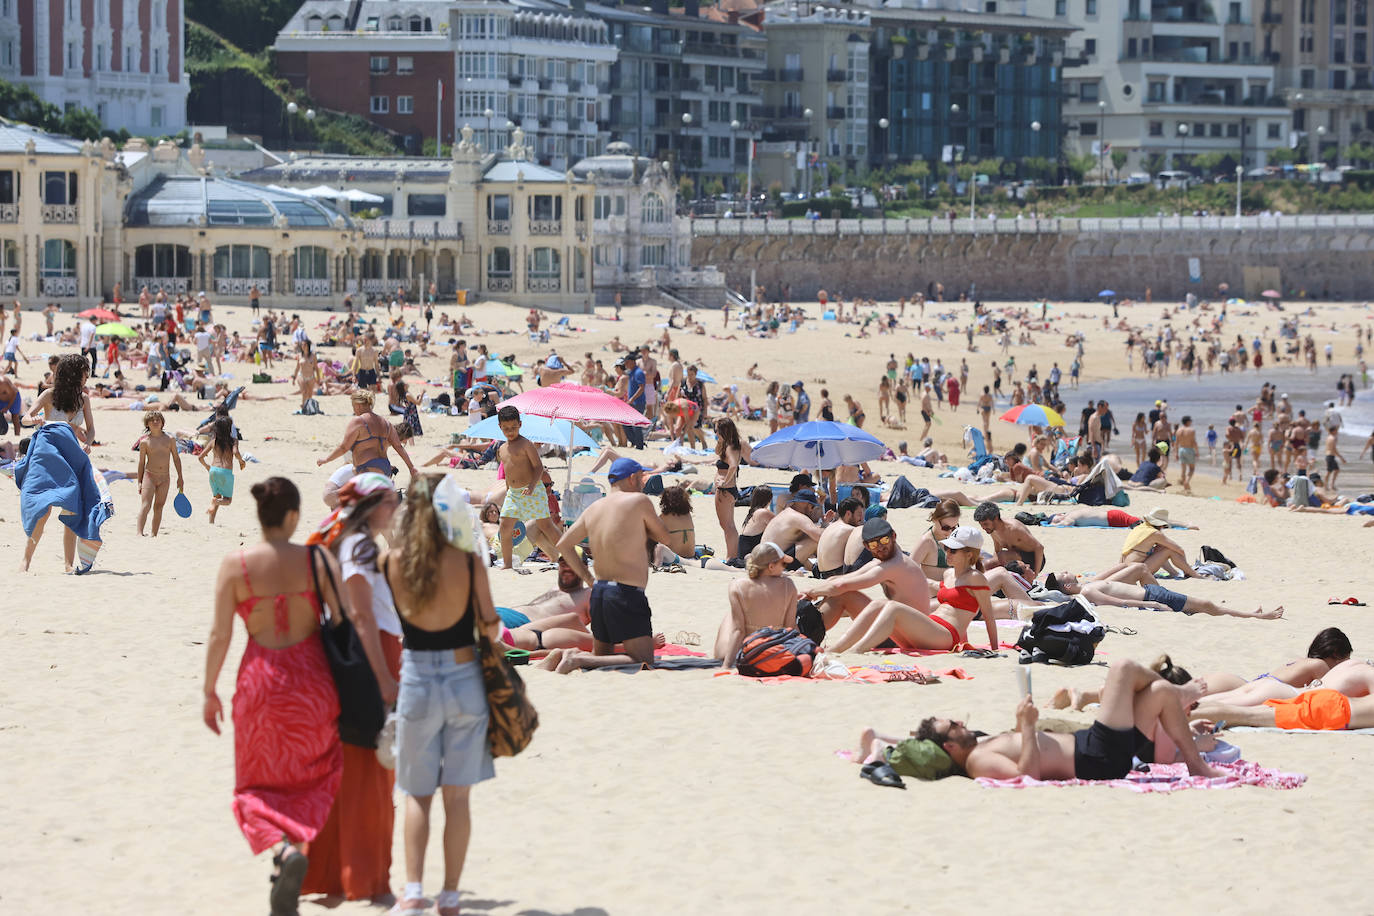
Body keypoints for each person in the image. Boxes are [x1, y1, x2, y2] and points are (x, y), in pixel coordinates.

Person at [202, 478, 344, 916]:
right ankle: (293, 853)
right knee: (314, 776)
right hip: (313, 682)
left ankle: (282, 852)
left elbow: (220, 634)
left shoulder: (236, 565)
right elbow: (344, 621)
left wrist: (209, 691)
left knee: (255, 785)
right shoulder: (317, 559)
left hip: (260, 683)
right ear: (294, 516)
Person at [381, 476, 499, 916]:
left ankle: (413, 892)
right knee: (458, 797)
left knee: (417, 793)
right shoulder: (466, 562)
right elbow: (490, 625)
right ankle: (449, 895)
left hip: (417, 675)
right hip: (463, 674)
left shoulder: (392, 562)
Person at [301, 474, 403, 905]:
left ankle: (332, 873)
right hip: (371, 655)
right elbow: (362, 616)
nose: (396, 508)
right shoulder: (359, 545)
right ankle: (362, 877)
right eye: (391, 501)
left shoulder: (342, 537)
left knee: (348, 768)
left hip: (357, 654)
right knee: (368, 770)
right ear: (371, 506)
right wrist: (385, 679)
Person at [918, 659, 1222, 780]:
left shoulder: (978, 744)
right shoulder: (977, 762)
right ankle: (1182, 694)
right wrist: (1028, 727)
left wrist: (1023, 722)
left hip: (1093, 746)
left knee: (1159, 692)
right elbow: (1027, 776)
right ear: (949, 748)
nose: (959, 722)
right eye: (953, 727)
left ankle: (1195, 763)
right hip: (1096, 758)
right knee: (1123, 669)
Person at [551, 458, 675, 673]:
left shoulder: (594, 508)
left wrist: (588, 579)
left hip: (599, 591)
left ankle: (571, 657)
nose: (643, 483)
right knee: (644, 660)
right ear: (632, 478)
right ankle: (575, 659)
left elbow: (563, 544)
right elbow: (665, 538)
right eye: (641, 478)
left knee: (602, 659)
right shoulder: (638, 501)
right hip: (626, 593)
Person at [19, 354, 107, 573]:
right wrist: (34, 420)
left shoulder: (83, 399)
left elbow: (91, 429)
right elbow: (25, 417)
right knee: (43, 509)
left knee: (72, 507)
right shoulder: (49, 394)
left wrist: (88, 443)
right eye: (85, 373)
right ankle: (25, 561)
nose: (87, 377)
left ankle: (68, 564)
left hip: (71, 455)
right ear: (74, 374)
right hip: (47, 456)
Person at [803, 516, 930, 630]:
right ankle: (808, 632)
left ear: (893, 537)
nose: (880, 547)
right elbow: (841, 579)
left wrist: (812, 592)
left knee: (843, 595)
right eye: (874, 544)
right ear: (867, 546)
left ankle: (809, 634)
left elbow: (842, 585)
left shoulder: (894, 564)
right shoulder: (882, 561)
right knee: (837, 592)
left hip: (910, 631)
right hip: (903, 625)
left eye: (884, 540)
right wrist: (813, 592)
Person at [1045, 569, 1283, 619]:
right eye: (1064, 575)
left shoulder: (1087, 585)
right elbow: (1118, 601)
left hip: (1152, 591)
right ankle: (1256, 616)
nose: (1067, 571)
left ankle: (1249, 613)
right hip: (1153, 597)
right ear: (1067, 587)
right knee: (1207, 604)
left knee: (1203, 606)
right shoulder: (1087, 591)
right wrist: (1154, 605)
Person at [494, 405, 562, 569]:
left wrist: (531, 487)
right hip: (513, 494)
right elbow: (508, 472)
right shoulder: (502, 449)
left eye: (514, 427)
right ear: (500, 427)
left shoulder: (526, 444)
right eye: (506, 428)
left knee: (546, 525)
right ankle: (508, 564)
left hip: (533, 490)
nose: (510, 431)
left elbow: (538, 467)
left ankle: (570, 555)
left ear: (520, 424)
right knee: (505, 526)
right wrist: (508, 491)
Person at [713, 542, 800, 665]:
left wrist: (726, 665)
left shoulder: (737, 586)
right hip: (772, 652)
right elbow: (790, 627)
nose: (784, 568)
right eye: (783, 564)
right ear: (771, 566)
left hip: (746, 653)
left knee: (730, 616)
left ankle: (726, 657)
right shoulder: (788, 585)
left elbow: (738, 631)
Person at [316, 390, 416, 479]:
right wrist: (411, 467)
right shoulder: (386, 423)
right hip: (385, 469)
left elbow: (344, 447)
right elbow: (398, 447)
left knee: (332, 489)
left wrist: (326, 460)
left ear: (358, 405)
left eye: (353, 407)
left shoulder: (358, 421)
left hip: (366, 469)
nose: (354, 410)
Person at [136, 409, 184, 537]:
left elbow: (176, 458)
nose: (155, 422)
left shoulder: (170, 439)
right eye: (152, 420)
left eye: (158, 420)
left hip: (165, 478)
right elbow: (141, 463)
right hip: (149, 476)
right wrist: (139, 481)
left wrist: (180, 477)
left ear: (162, 423)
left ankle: (154, 534)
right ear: (147, 424)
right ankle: (139, 533)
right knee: (146, 505)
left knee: (159, 506)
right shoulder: (144, 442)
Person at [1119, 508, 1202, 578]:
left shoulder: (1140, 528)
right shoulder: (1155, 534)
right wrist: (1186, 567)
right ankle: (1194, 575)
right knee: (1169, 550)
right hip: (1135, 571)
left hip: (1126, 568)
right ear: (1161, 525)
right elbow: (1179, 549)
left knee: (1161, 548)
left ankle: (1174, 573)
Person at [712, 417, 752, 559]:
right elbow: (717, 452)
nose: (715, 433)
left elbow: (733, 466)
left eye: (717, 430)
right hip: (730, 490)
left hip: (725, 490)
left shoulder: (730, 447)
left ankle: (731, 557)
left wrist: (724, 482)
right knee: (729, 525)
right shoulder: (732, 444)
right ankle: (733, 556)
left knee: (727, 526)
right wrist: (720, 440)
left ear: (723, 431)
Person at [759, 488, 827, 570]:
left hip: (765, 560)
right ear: (805, 504)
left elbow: (812, 529)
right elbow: (820, 537)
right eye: (812, 506)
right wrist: (828, 527)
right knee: (813, 542)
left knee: (808, 540)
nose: (811, 510)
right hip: (776, 562)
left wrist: (823, 523)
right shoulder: (798, 517)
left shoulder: (786, 513)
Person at [973, 501, 1044, 572]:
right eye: (981, 524)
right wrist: (993, 564)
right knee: (984, 561)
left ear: (995, 518)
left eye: (985, 524)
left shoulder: (1015, 529)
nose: (983, 527)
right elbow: (997, 549)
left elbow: (1039, 547)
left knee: (1002, 556)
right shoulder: (992, 529)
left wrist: (1035, 573)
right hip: (1015, 559)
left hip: (1033, 561)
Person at [200, 415, 246, 525]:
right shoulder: (233, 441)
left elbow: (200, 457)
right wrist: (241, 461)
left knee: (217, 496)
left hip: (213, 470)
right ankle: (214, 502)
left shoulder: (213, 441)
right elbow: (235, 452)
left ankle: (211, 522)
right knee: (227, 500)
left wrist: (207, 466)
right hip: (225, 472)